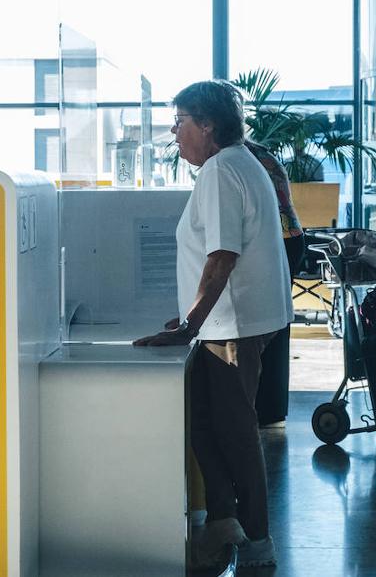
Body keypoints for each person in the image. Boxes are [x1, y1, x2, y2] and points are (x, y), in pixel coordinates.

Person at [134, 80, 291, 570]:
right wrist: (190, 318)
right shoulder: (238, 162)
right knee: (201, 420)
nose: (173, 132)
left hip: (232, 325)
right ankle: (225, 521)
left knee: (235, 432)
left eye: (180, 121)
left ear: (208, 124)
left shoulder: (221, 170)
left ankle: (259, 546)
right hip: (223, 322)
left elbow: (222, 255)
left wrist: (189, 324)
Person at [244, 139, 304, 427]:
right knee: (276, 322)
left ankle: (266, 407)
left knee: (268, 322)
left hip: (278, 240)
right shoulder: (259, 152)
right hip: (288, 238)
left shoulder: (242, 159)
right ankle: (271, 406)